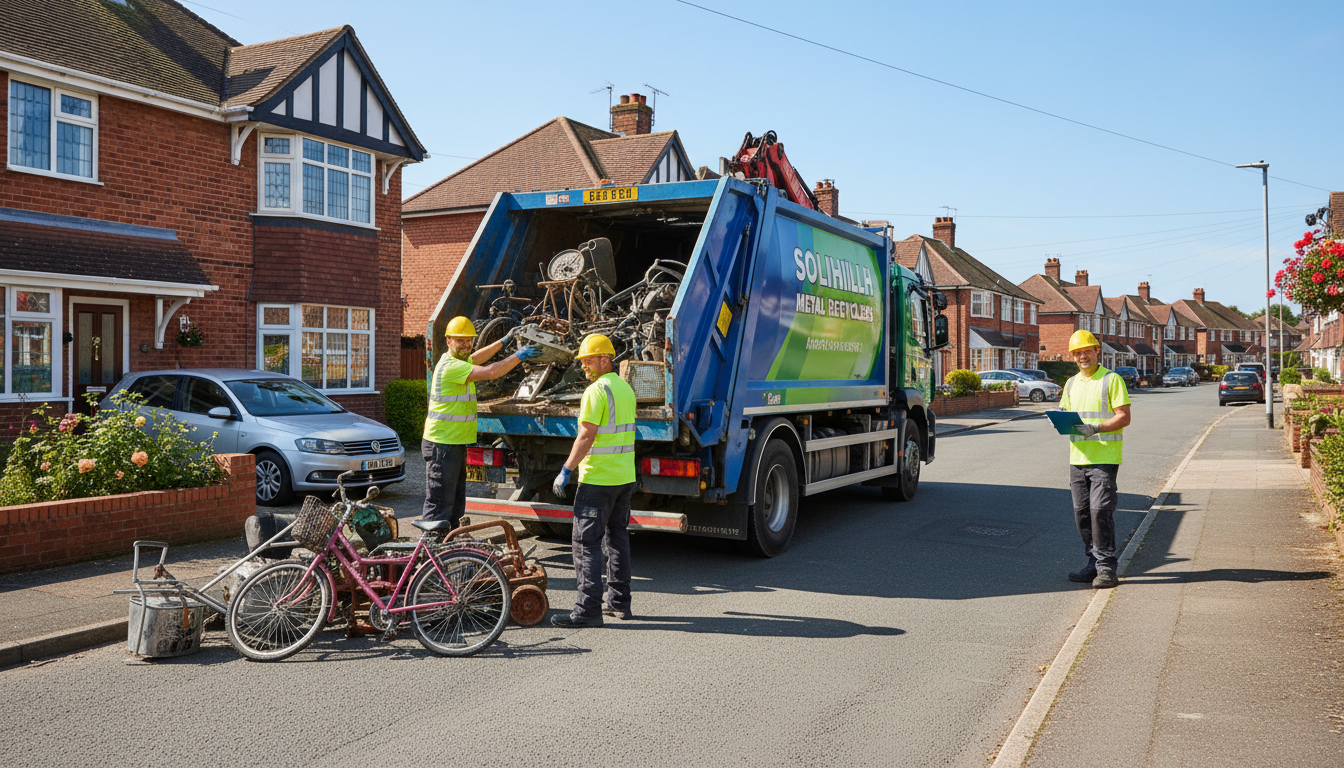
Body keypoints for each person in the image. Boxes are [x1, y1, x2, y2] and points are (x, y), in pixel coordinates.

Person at [550, 334, 637, 628]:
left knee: (586, 542)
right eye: (583, 362)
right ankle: (619, 603)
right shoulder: (625, 388)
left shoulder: (596, 391)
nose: (585, 367)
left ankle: (588, 609)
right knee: (617, 539)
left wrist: (566, 469)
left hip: (598, 478)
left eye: (589, 361)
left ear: (605, 359)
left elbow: (586, 436)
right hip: (624, 477)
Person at [421, 316, 540, 528]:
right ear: (449, 341)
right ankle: (431, 550)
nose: (466, 344)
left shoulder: (459, 361)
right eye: (460, 340)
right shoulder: (451, 367)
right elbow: (491, 372)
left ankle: (451, 547)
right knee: (440, 502)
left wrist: (505, 340)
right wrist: (518, 356)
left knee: (456, 501)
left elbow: (477, 358)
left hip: (452, 443)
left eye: (469, 340)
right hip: (442, 444)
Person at [1059, 329, 1132, 589]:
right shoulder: (1071, 384)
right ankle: (1093, 563)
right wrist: (1058, 421)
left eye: (1086, 351)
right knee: (1082, 515)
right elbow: (1066, 414)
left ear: (1096, 351)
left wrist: (1096, 428)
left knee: (1100, 511)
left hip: (1104, 458)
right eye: (1077, 353)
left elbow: (1124, 416)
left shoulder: (1111, 380)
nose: (1082, 356)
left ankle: (1106, 568)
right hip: (1077, 458)